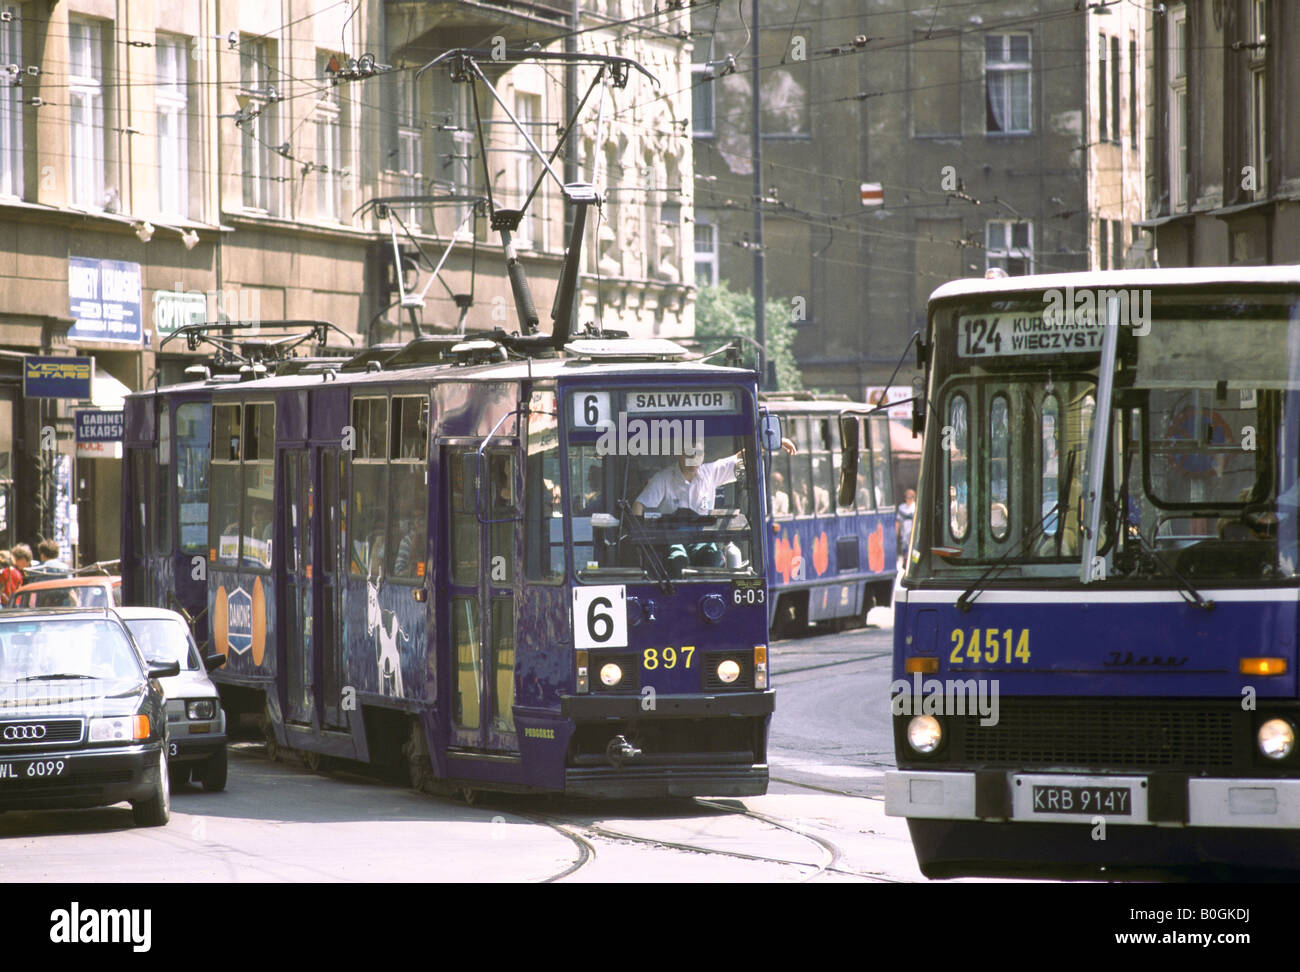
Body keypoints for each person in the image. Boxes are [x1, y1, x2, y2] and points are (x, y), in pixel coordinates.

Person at [632, 438, 796, 572]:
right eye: (689, 452)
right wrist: (640, 539)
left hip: (702, 539)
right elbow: (639, 505)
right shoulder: (663, 479)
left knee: (713, 558)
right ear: (678, 453)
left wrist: (774, 440)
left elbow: (742, 457)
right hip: (673, 539)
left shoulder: (710, 473)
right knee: (677, 560)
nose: (694, 456)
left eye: (698, 453)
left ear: (703, 455)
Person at [897, 488, 916, 562]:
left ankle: (914, 565)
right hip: (904, 535)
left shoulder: (916, 508)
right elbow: (898, 522)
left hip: (914, 535)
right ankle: (906, 566)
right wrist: (896, 534)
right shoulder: (901, 508)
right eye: (907, 497)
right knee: (905, 552)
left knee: (915, 552)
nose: (909, 499)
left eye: (911, 497)